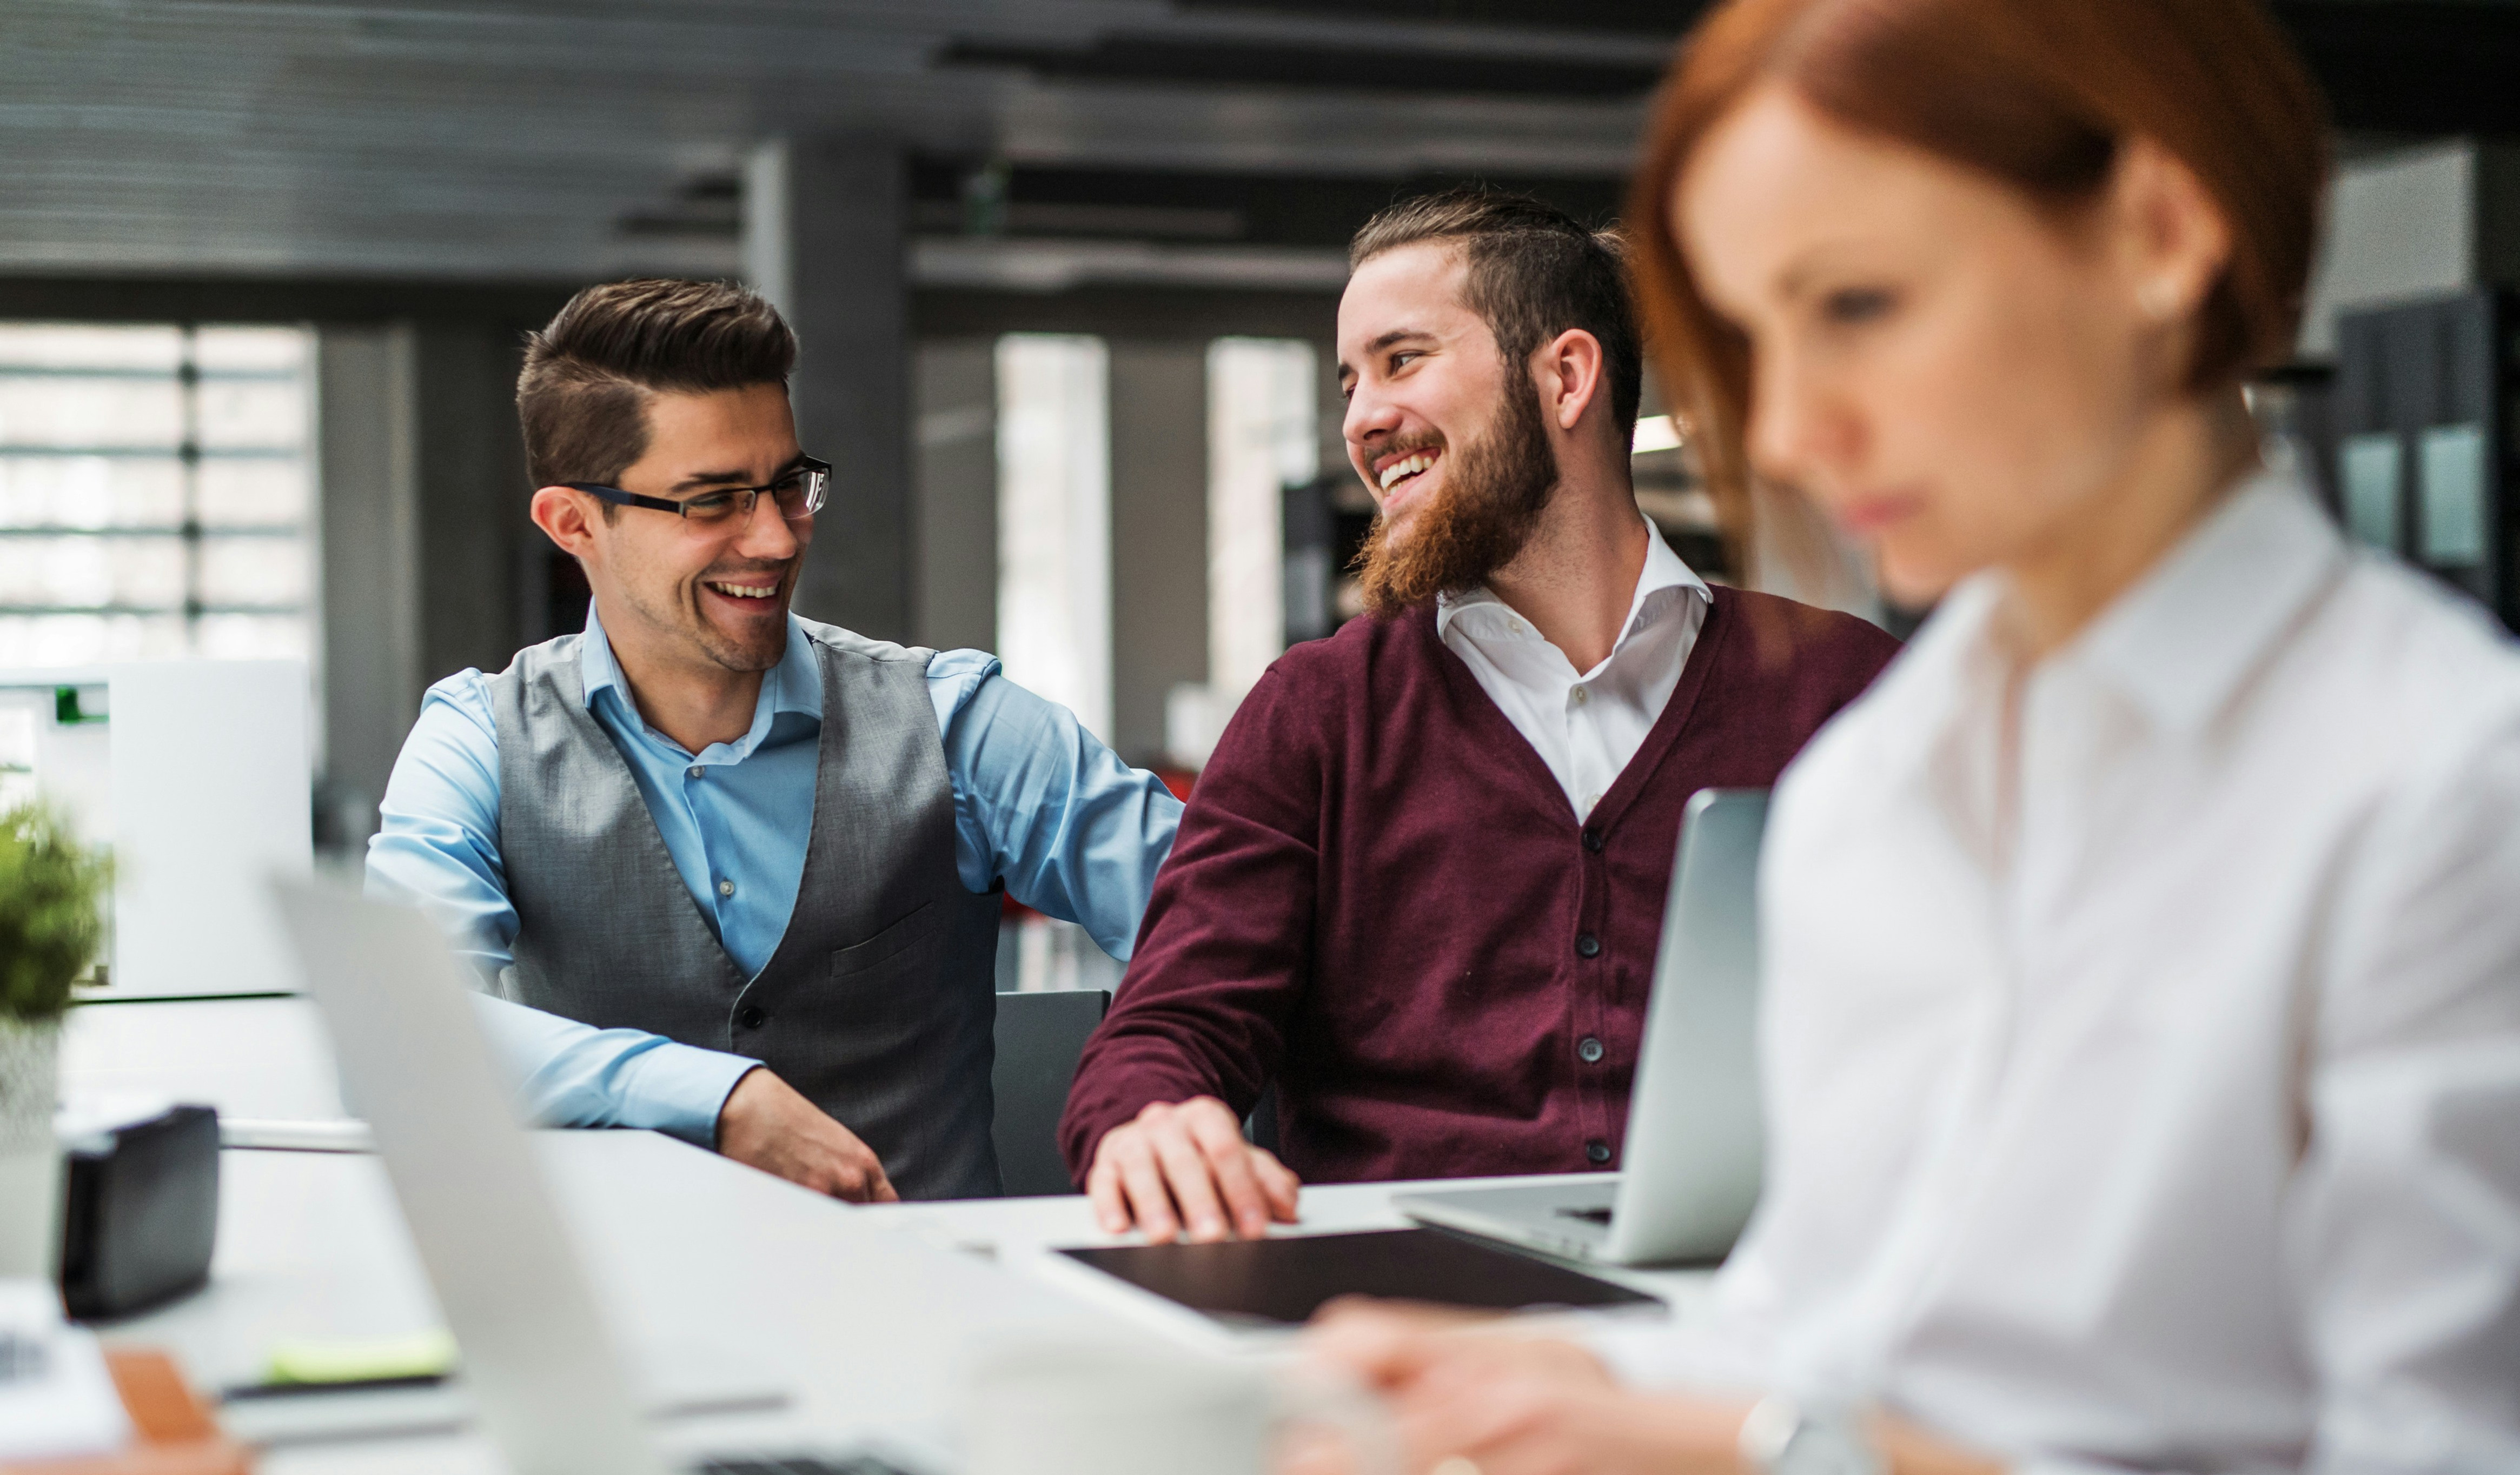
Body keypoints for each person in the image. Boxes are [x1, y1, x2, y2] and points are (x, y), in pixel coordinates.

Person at [1301, 1, 2520, 1471]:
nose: (1793, 432)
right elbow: (1819, 1339)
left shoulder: (2446, 791)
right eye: (1755, 340)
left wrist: (1763, 1450)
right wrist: (1550, 1388)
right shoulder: (1874, 786)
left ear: (2151, 234)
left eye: (1858, 306)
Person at [1059, 191, 1901, 1243]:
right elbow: (1164, 1029)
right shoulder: (1319, 712)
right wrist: (1152, 1118)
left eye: (1400, 359)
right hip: (1415, 1321)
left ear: (1563, 377)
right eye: (1348, 380)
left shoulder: (1841, 688)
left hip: (1774, 1298)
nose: (1361, 419)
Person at [367, 278, 1179, 1203]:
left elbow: (1225, 923)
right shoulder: (478, 739)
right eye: (713, 501)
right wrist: (715, 1096)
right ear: (573, 522)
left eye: (789, 485)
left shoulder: (960, 725)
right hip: (629, 1322)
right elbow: (399, 1031)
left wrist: (1159, 1094)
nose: (776, 537)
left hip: (925, 1315)